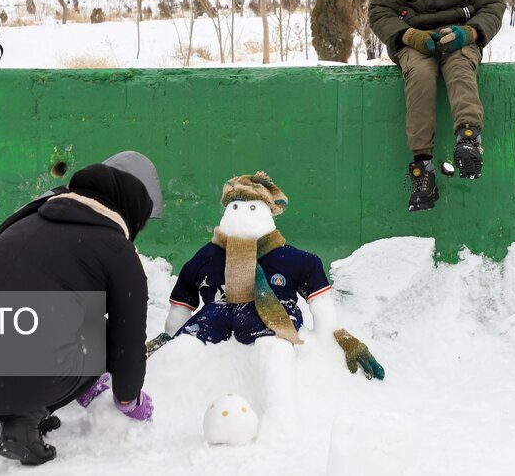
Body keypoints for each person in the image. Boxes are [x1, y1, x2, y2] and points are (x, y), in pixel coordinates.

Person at [0, 152, 163, 466]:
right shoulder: (119, 252)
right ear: (130, 210)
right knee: (101, 335)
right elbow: (127, 348)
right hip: (9, 379)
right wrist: (130, 400)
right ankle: (27, 410)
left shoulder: (31, 215)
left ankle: (24, 410)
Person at [146, 171, 384, 417]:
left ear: (267, 212)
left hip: (274, 320)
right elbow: (181, 305)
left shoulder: (294, 260)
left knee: (274, 353)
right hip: (212, 321)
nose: (241, 213)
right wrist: (170, 338)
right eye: (235, 206)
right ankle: (162, 415)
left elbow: (320, 304)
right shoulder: (207, 257)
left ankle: (278, 421)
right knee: (180, 353)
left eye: (252, 208)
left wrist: (338, 338)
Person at [368, 0, 505, 212]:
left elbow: (492, 7)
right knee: (420, 75)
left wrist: (470, 33)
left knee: (460, 66)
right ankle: (422, 168)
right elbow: (379, 9)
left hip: (458, 37)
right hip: (414, 40)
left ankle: (469, 140)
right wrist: (408, 36)